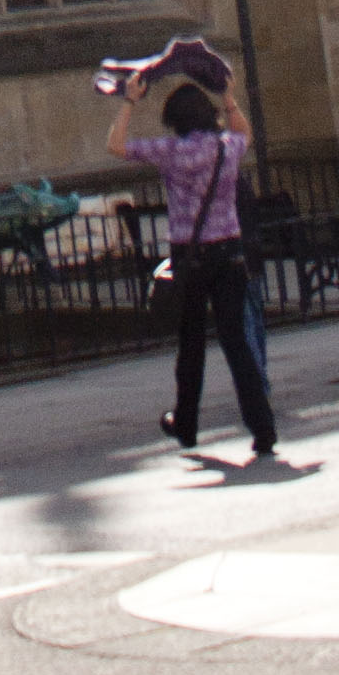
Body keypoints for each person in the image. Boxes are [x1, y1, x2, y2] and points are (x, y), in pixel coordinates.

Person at [108, 70, 278, 458]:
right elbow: (246, 133)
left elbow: (115, 145)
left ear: (175, 120)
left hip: (190, 255)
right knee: (237, 343)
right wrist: (228, 97)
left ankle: (186, 424)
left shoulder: (171, 152)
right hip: (229, 253)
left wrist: (130, 101)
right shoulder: (228, 147)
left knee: (191, 344)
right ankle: (263, 426)